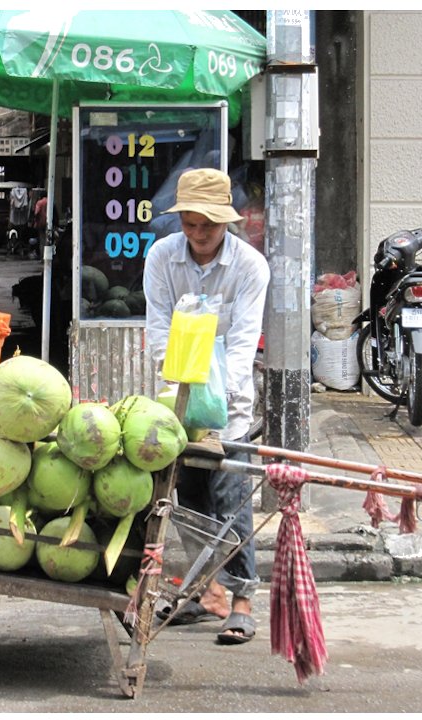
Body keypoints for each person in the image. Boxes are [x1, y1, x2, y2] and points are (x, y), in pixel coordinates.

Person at [142, 168, 270, 645]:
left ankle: (241, 601)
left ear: (226, 222)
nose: (198, 235)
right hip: (177, 401)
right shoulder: (161, 258)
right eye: (190, 224)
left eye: (207, 226)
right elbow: (158, 330)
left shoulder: (250, 267)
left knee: (232, 501)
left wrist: (216, 401)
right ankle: (207, 592)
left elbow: (241, 345)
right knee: (190, 499)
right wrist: (181, 392)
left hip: (230, 406)